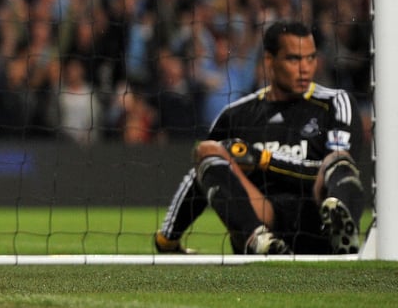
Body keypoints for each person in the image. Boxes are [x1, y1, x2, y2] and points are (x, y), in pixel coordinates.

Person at [155, 20, 365, 255]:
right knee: (208, 152)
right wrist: (167, 239)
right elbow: (201, 176)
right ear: (269, 60)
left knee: (338, 161)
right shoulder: (236, 115)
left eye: (311, 58)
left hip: (315, 218)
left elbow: (338, 172)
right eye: (293, 59)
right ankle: (261, 243)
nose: (305, 68)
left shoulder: (336, 103)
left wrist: (263, 158)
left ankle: (341, 237)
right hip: (266, 218)